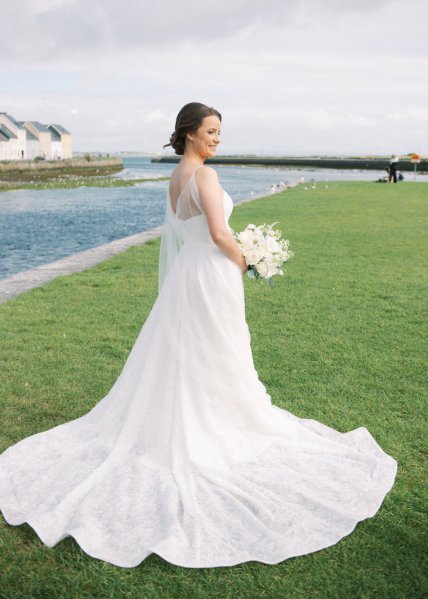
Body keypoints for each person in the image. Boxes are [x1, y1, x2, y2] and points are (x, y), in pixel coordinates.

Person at [0, 102, 397, 569]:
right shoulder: (204, 177)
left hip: (191, 273)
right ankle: (215, 426)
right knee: (217, 349)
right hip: (212, 273)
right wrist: (250, 257)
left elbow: (194, 232)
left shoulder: (176, 178)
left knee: (192, 351)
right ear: (189, 133)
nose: (217, 139)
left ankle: (197, 414)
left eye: (219, 132)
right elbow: (218, 232)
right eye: (210, 131)